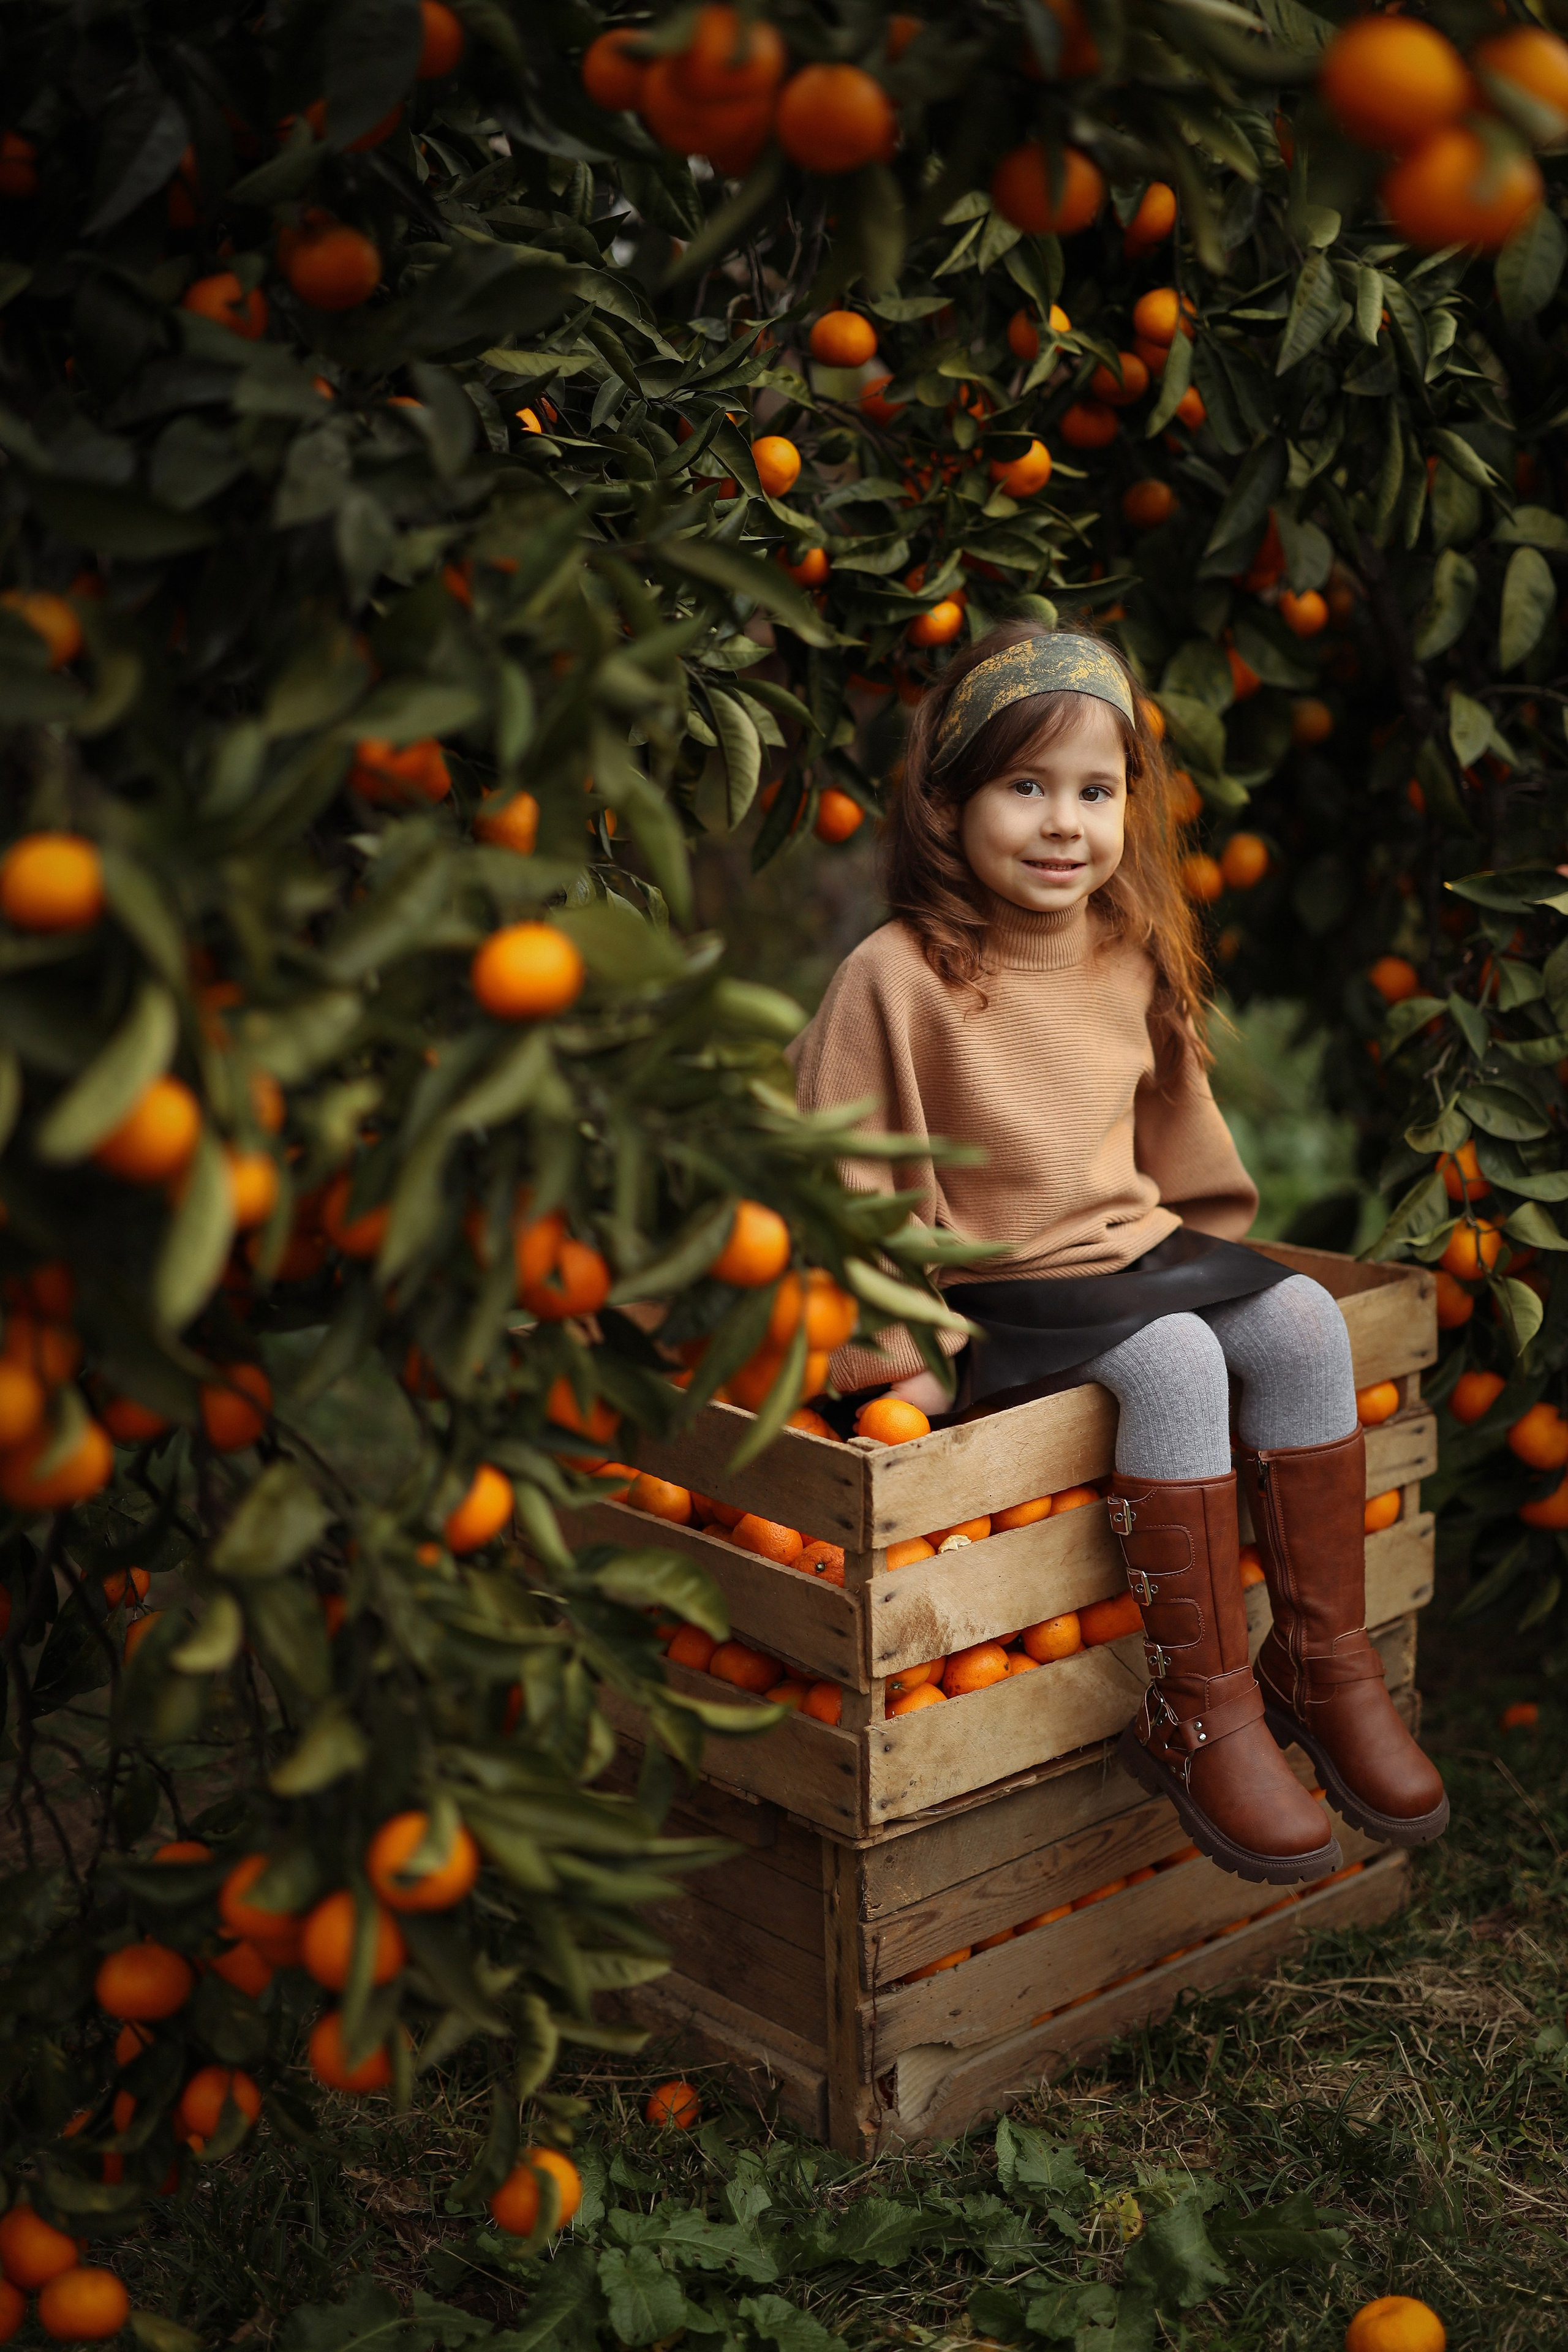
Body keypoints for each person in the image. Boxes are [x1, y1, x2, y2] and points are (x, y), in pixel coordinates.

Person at [791, 620, 1447, 1883]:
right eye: (1022, 786)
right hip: (997, 1291)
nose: (1060, 825)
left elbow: (1177, 1142)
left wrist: (1214, 1267)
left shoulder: (1122, 948)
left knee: (1303, 1320)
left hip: (1127, 1256)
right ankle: (1194, 1709)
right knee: (1170, 1363)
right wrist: (903, 1356)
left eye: (1093, 793)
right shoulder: (898, 976)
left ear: (1127, 812)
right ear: (948, 802)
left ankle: (1319, 1662)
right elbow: (836, 1184)